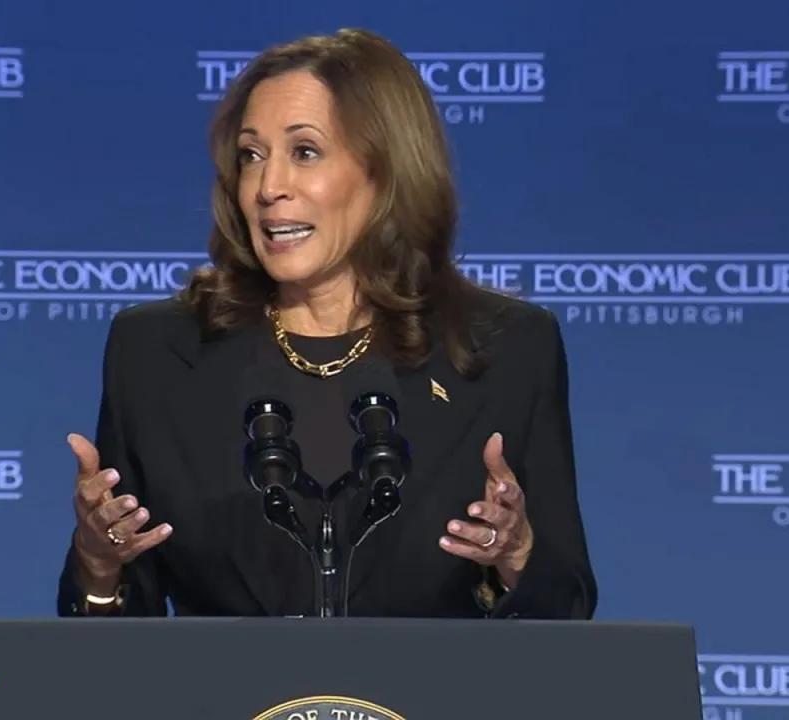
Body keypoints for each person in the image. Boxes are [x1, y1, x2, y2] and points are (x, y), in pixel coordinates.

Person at [56, 28, 596, 619]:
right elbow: (115, 643)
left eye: (305, 152)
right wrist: (99, 565)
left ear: (386, 170)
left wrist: (517, 555)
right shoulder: (158, 351)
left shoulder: (504, 348)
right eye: (251, 156)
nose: (268, 187)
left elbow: (566, 608)